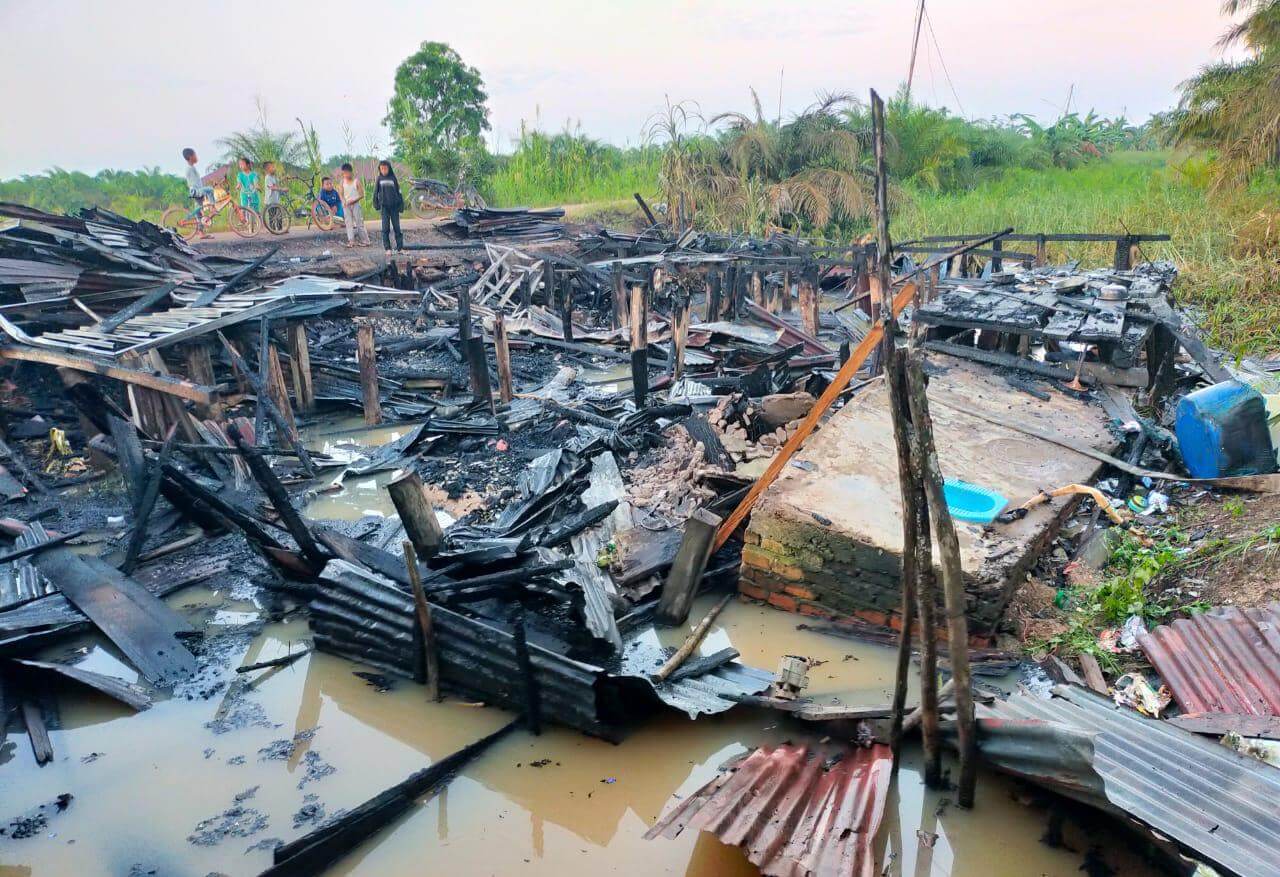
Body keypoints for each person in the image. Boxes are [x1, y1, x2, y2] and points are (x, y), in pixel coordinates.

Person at [372, 160, 405, 254]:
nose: (384, 170)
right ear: (379, 169)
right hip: (384, 207)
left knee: (397, 228)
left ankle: (400, 248)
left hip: (394, 207)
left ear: (389, 168)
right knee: (385, 228)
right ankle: (387, 248)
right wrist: (376, 204)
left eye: (385, 168)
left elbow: (399, 192)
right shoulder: (379, 179)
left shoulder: (393, 178)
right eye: (382, 168)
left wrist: (401, 205)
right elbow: (375, 192)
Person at [182, 147, 214, 238]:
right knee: (210, 189)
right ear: (190, 157)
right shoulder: (189, 169)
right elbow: (193, 183)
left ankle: (201, 233)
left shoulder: (192, 168)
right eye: (195, 155)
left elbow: (197, 182)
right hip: (195, 191)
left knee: (199, 213)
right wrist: (202, 191)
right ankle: (213, 207)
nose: (197, 156)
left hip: (197, 191)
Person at [338, 162, 370, 247]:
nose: (345, 175)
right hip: (346, 205)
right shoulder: (342, 182)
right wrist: (343, 201)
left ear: (351, 172)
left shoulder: (356, 182)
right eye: (344, 173)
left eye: (347, 173)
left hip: (355, 204)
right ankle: (351, 241)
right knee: (348, 223)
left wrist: (353, 201)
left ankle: (365, 241)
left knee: (359, 222)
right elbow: (340, 193)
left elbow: (362, 195)